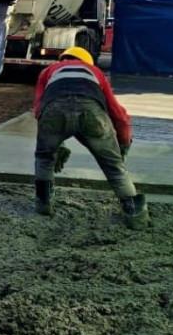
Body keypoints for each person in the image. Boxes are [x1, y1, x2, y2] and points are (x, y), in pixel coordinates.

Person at [32, 46, 148, 229]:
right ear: (86, 61)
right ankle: (135, 214)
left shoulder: (48, 71)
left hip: (54, 112)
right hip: (92, 113)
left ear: (63, 58)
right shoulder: (95, 71)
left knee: (44, 158)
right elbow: (118, 113)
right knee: (114, 167)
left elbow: (39, 109)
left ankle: (43, 204)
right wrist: (123, 145)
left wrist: (55, 144)